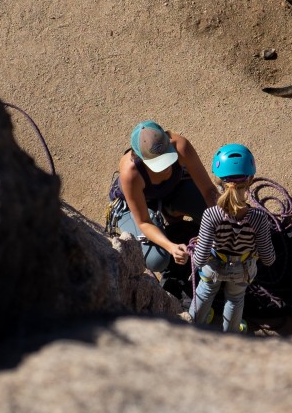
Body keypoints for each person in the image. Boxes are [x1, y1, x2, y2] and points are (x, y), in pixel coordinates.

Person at [107, 120, 220, 296]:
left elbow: (209, 190)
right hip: (138, 205)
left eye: (167, 159)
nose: (166, 168)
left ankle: (172, 214)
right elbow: (144, 222)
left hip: (174, 188)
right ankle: (166, 221)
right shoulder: (130, 172)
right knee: (157, 259)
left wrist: (224, 221)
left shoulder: (180, 145)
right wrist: (170, 246)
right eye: (158, 164)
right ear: (141, 159)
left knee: (214, 213)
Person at [188, 143, 275, 332]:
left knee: (204, 295)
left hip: (213, 266)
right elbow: (268, 258)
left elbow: (200, 258)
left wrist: (196, 251)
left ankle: (193, 328)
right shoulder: (259, 218)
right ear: (251, 179)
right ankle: (231, 334)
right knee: (235, 299)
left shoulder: (211, 215)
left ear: (218, 180)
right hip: (242, 269)